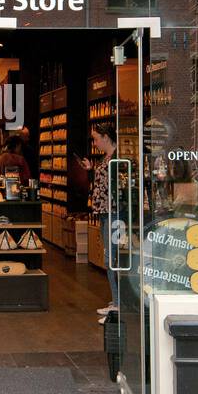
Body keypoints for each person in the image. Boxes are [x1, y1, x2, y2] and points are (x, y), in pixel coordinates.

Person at [79, 122, 119, 318]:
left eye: (96, 138)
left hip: (113, 213)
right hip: (105, 212)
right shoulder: (108, 158)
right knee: (109, 256)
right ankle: (116, 299)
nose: (94, 143)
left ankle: (118, 303)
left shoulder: (118, 159)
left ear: (105, 137)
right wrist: (91, 170)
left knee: (111, 257)